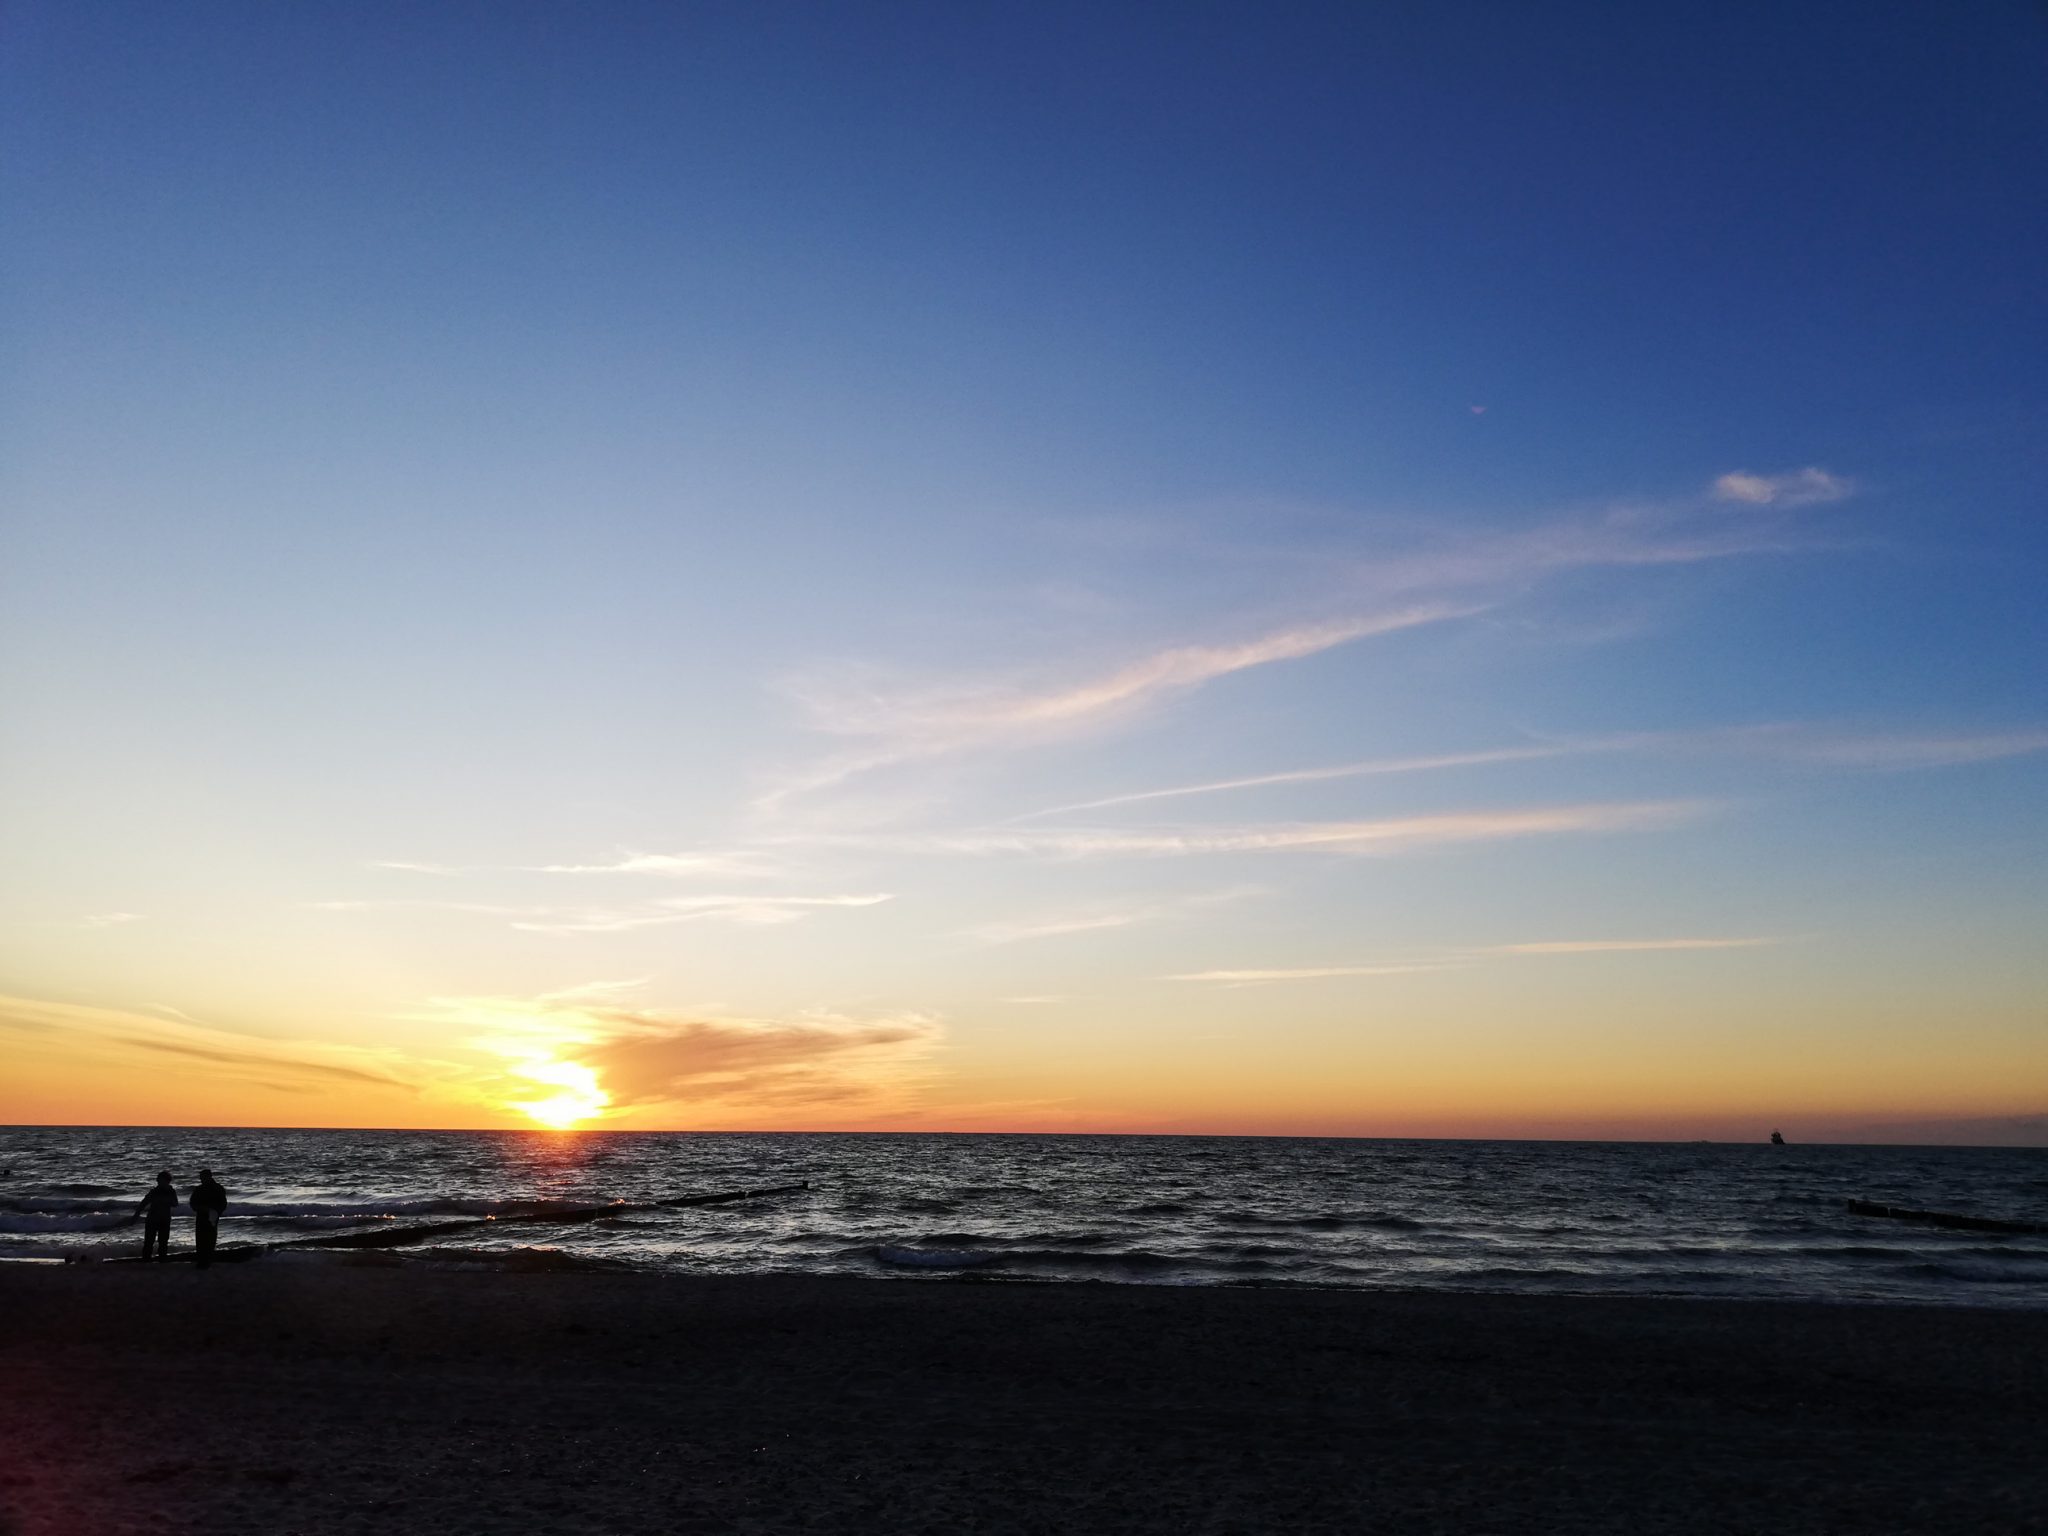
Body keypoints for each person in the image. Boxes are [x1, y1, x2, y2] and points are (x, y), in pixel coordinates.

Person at [188, 1169, 227, 1268]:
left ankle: (206, 1261)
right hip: (202, 1215)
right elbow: (192, 1203)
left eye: (202, 1177)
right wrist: (201, 1208)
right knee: (201, 1239)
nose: (201, 1179)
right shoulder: (199, 1189)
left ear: (209, 1177)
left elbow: (223, 1203)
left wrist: (214, 1211)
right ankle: (202, 1261)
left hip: (212, 1216)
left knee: (209, 1239)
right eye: (201, 1177)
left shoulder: (217, 1188)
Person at [136, 1172, 178, 1261]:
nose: (158, 1181)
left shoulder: (171, 1191)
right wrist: (136, 1214)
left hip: (164, 1219)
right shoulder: (154, 1191)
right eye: (158, 1179)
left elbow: (175, 1203)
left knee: (163, 1241)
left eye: (161, 1179)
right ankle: (146, 1259)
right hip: (152, 1219)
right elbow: (143, 1203)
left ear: (167, 1181)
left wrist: (166, 1198)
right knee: (149, 1241)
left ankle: (162, 1259)